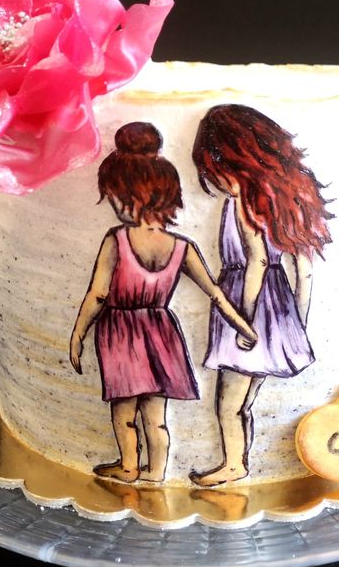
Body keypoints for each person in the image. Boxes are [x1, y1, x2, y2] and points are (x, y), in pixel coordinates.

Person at [69, 122, 258, 484]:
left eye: (114, 196)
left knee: (124, 410)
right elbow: (216, 293)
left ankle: (128, 465)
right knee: (156, 415)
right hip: (161, 333)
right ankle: (156, 471)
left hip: (121, 332)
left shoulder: (116, 240)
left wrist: (78, 333)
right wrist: (244, 326)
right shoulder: (181, 246)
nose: (113, 204)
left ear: (129, 195)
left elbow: (98, 294)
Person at [190, 104, 333, 487]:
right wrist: (296, 324)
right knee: (245, 400)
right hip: (280, 311)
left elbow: (255, 261)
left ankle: (234, 464)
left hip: (248, 307)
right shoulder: (287, 200)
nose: (216, 181)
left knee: (229, 401)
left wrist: (244, 318)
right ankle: (240, 463)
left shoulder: (244, 202)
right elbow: (304, 272)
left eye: (215, 169)